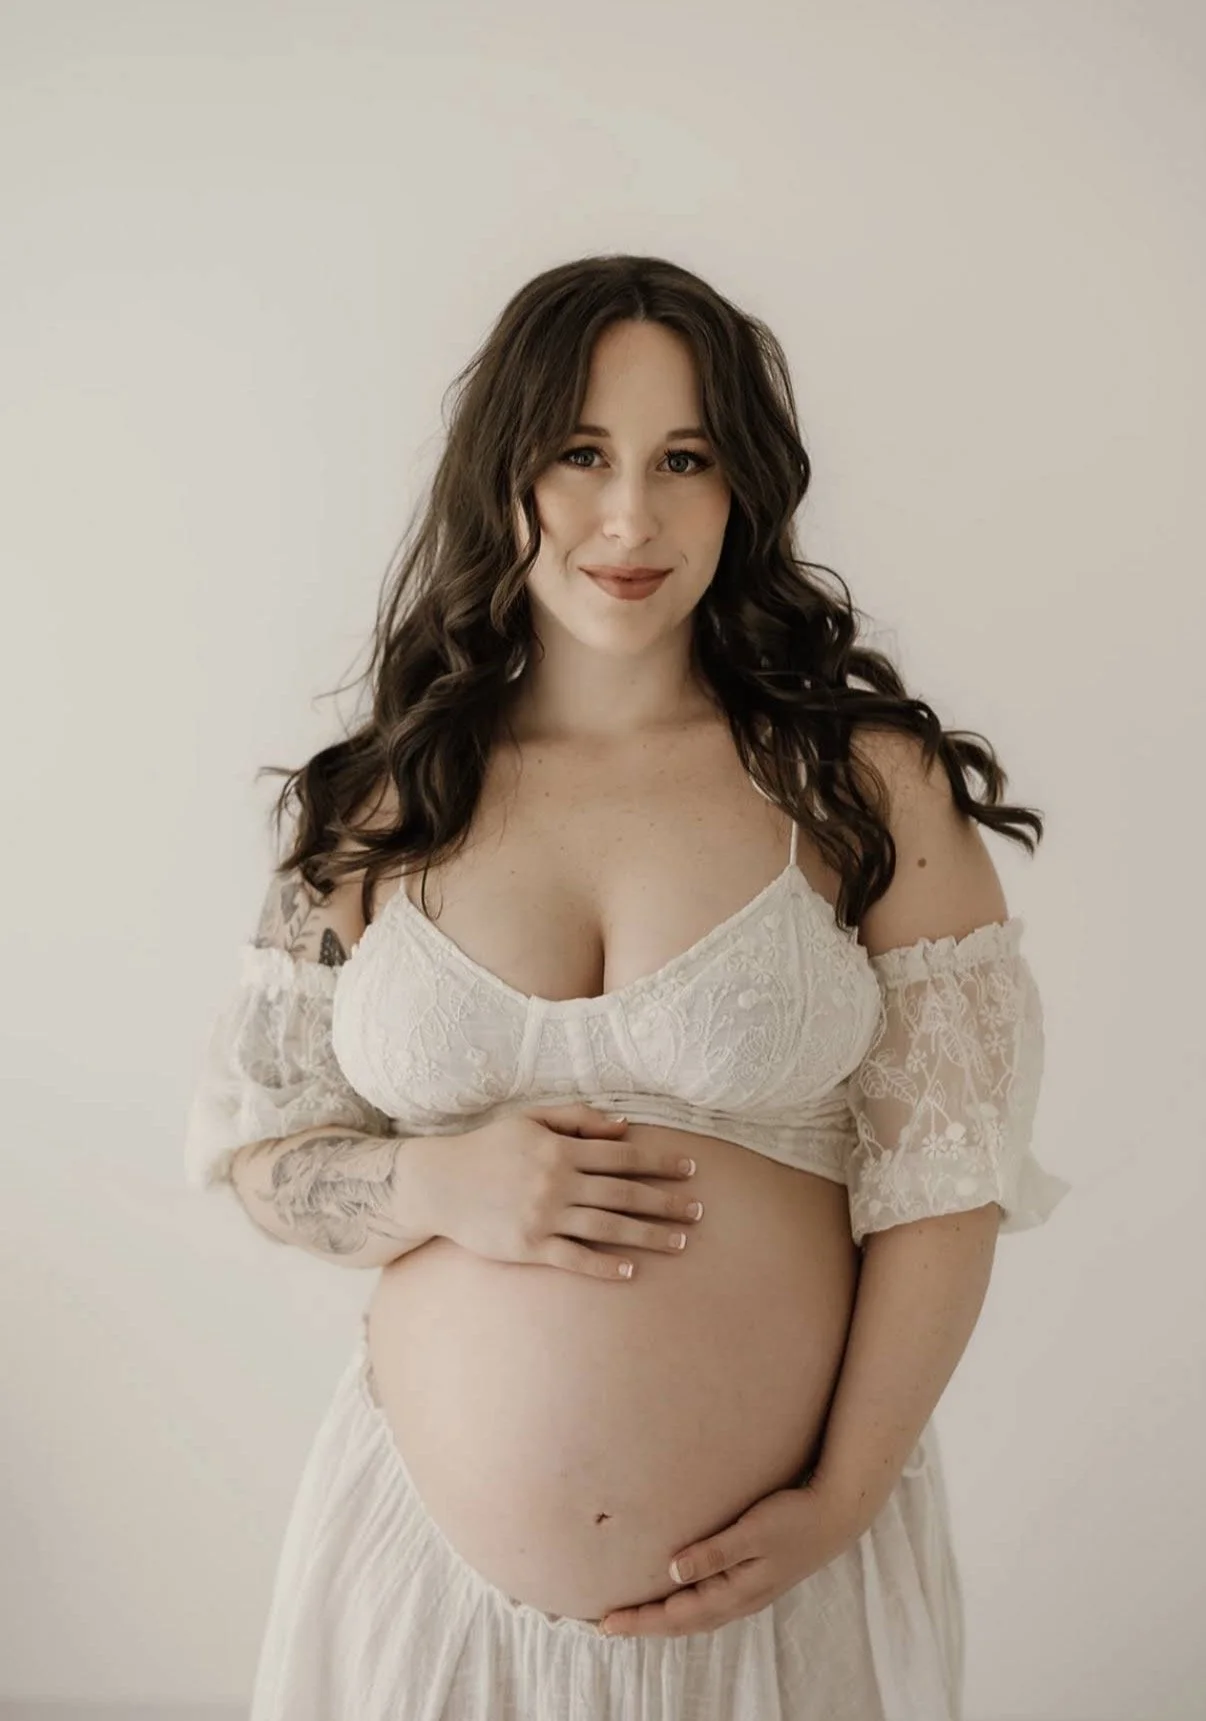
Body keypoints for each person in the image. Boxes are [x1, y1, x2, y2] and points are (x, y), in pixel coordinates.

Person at [183, 253, 1071, 1719]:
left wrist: (841, 1497)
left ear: (746, 493)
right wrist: (433, 1191)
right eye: (580, 455)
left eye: (685, 461)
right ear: (502, 475)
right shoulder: (382, 809)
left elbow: (945, 1178)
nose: (630, 519)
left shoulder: (858, 787)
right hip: (417, 1594)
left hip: (772, 1597)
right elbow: (261, 1148)